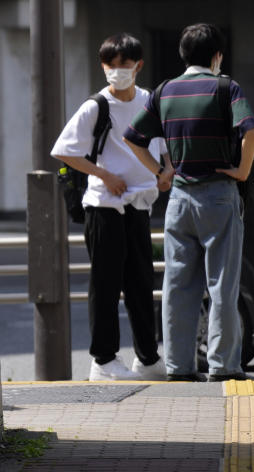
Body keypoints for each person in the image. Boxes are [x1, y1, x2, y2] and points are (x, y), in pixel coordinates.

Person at [124, 23, 254, 382]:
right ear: (217, 56)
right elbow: (251, 130)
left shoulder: (165, 91)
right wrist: (242, 171)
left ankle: (179, 366)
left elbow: (133, 138)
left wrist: (161, 172)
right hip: (218, 194)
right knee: (222, 284)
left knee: (177, 286)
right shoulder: (226, 87)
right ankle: (223, 366)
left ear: (183, 55)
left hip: (179, 199)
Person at [51, 33, 172, 381]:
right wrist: (103, 174)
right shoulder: (96, 106)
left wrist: (165, 171)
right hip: (104, 206)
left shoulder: (149, 101)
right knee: (105, 284)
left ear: (139, 66)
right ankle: (103, 361)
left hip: (139, 204)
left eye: (124, 65)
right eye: (110, 65)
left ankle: (148, 358)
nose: (117, 71)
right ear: (103, 67)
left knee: (140, 281)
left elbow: (162, 144)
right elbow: (63, 150)